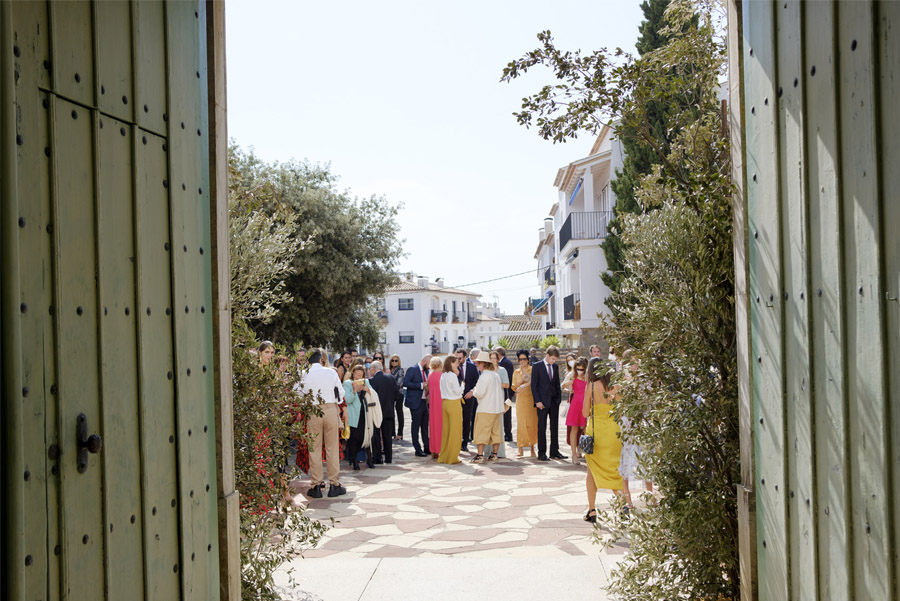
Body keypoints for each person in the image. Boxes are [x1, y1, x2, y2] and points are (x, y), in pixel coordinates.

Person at [297, 348, 347, 499]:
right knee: (332, 448)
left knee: (314, 448)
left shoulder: (304, 374)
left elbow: (298, 394)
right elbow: (340, 393)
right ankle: (334, 484)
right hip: (331, 409)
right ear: (321, 359)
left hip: (313, 412)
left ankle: (316, 485)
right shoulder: (331, 372)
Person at [582, 357, 624, 522]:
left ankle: (592, 510)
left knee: (592, 471)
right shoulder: (617, 387)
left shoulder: (591, 387)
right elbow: (621, 411)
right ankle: (622, 505)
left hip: (596, 432)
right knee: (613, 468)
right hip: (613, 431)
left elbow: (585, 413)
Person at [530, 345, 567, 461]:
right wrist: (537, 401)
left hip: (554, 402)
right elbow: (534, 385)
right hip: (542, 402)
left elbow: (556, 384)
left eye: (555, 359)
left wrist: (558, 400)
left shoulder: (555, 367)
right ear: (547, 356)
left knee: (554, 427)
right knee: (542, 427)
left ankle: (554, 451)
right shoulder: (537, 366)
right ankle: (541, 453)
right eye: (552, 359)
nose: (554, 361)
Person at [471, 354, 504, 463]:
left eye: (477, 363)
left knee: (481, 431)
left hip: (485, 407)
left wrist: (474, 391)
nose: (476, 365)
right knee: (495, 432)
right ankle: (494, 454)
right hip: (496, 408)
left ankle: (480, 456)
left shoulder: (484, 376)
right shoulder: (495, 375)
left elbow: (480, 393)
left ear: (482, 363)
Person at [343, 365, 377, 470]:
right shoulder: (347, 383)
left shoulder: (366, 381)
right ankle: (355, 462)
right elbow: (347, 400)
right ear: (353, 373)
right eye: (357, 371)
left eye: (361, 371)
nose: (359, 373)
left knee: (367, 437)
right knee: (354, 439)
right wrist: (354, 391)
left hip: (365, 413)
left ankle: (369, 460)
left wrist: (366, 389)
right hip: (354, 415)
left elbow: (373, 394)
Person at [404, 354, 432, 457]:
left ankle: (427, 447)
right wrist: (420, 385)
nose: (429, 367)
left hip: (425, 402)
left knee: (425, 426)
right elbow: (405, 383)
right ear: (424, 361)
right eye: (429, 364)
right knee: (415, 426)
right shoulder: (413, 369)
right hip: (415, 402)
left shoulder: (427, 371)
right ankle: (417, 449)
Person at [438, 355, 464, 464]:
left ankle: (445, 455)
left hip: (445, 403)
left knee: (447, 431)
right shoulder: (452, 376)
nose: (457, 364)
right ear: (451, 363)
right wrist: (462, 385)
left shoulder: (443, 375)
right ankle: (452, 457)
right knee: (455, 431)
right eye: (456, 363)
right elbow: (458, 391)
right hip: (454, 403)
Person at [368, 360, 395, 464]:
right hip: (389, 410)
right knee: (387, 436)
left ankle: (378, 458)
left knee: (376, 436)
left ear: (374, 369)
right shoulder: (391, 378)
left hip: (376, 411)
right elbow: (397, 394)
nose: (370, 371)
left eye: (370, 368)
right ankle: (389, 458)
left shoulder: (372, 381)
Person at [511, 350, 537, 457]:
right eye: (520, 359)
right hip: (520, 400)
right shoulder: (516, 372)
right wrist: (521, 380)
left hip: (531, 399)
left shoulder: (533, 370)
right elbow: (513, 387)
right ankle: (520, 448)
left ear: (528, 359)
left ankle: (532, 447)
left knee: (532, 424)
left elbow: (535, 382)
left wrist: (526, 384)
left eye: (524, 359)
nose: (522, 361)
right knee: (521, 424)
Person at [565, 357, 589, 464]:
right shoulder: (572, 375)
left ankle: (585, 452)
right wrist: (568, 384)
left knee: (586, 430)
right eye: (578, 369)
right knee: (574, 430)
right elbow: (563, 385)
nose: (580, 371)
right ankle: (574, 455)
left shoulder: (589, 377)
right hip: (575, 405)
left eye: (582, 369)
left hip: (586, 405)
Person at [455, 348, 479, 451]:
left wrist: (471, 392)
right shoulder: (452, 367)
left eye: (460, 358)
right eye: (456, 358)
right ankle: (456, 442)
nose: (458, 360)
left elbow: (477, 382)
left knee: (466, 420)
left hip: (468, 398)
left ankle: (464, 443)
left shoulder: (473, 367)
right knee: (456, 421)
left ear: (465, 357)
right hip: (455, 398)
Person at [488, 351, 509, 458]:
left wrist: (495, 384)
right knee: (488, 427)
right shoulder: (486, 371)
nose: (492, 360)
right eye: (490, 358)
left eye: (494, 358)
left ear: (497, 359)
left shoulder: (502, 370)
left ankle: (499, 452)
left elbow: (507, 384)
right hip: (487, 401)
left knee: (499, 426)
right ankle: (487, 451)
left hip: (499, 400)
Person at [495, 347, 515, 442]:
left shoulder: (505, 363)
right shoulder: (505, 362)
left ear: (499, 355)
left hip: (506, 392)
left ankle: (508, 434)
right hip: (502, 392)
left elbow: (509, 379)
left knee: (506, 413)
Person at [427, 356, 444, 458]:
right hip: (441, 403)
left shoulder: (430, 375)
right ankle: (441, 448)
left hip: (433, 404)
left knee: (433, 426)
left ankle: (434, 450)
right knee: (441, 426)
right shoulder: (442, 375)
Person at [389, 355, 405, 440]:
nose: (394, 362)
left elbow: (399, 383)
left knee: (399, 413)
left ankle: (400, 433)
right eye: (392, 360)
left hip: (399, 394)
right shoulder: (388, 370)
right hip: (390, 395)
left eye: (396, 360)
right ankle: (392, 432)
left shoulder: (400, 370)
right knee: (391, 413)